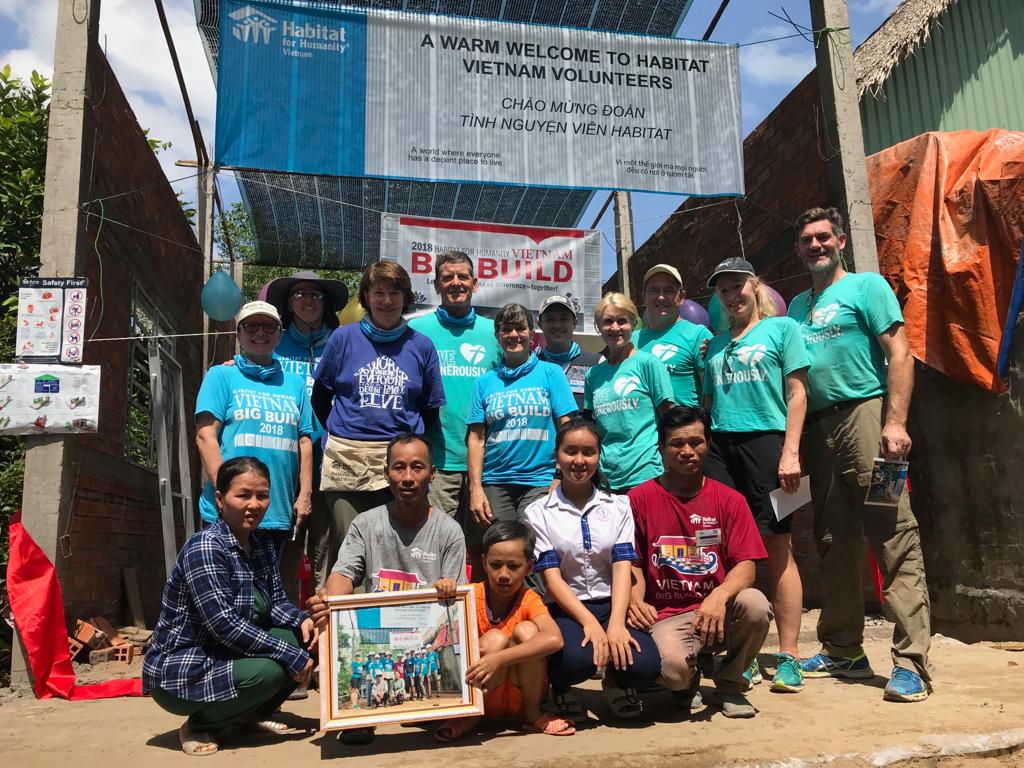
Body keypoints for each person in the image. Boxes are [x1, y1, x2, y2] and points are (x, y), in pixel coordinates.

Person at [787, 206, 932, 702]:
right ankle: (843, 649)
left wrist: (895, 422)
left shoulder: (866, 287)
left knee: (892, 533)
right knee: (833, 540)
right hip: (821, 432)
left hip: (867, 418)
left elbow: (900, 352)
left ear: (841, 241)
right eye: (807, 240)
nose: (815, 246)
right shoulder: (795, 308)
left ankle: (912, 662)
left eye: (823, 237)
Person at [143, 457, 317, 756]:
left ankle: (247, 713)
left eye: (262, 496)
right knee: (271, 670)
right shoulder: (206, 547)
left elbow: (274, 602)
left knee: (307, 638)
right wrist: (290, 655)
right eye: (243, 495)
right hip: (186, 665)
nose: (254, 504)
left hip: (229, 653)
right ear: (221, 500)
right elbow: (224, 625)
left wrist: (303, 620)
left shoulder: (260, 544)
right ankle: (199, 724)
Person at [307, 432, 466, 744]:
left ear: (432, 474)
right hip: (378, 632)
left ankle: (438, 709)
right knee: (336, 626)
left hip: (422, 632)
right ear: (386, 474)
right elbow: (344, 573)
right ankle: (359, 719)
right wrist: (327, 598)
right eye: (399, 468)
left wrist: (447, 589)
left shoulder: (450, 531)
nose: (407, 477)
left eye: (418, 468)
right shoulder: (366, 524)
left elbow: (456, 604)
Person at [702, 257, 810, 693]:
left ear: (755, 285)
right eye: (723, 290)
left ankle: (789, 656)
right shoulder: (713, 345)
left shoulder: (783, 330)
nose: (731, 296)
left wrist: (790, 451)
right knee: (726, 548)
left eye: (737, 286)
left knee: (778, 545)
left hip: (769, 444)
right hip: (720, 449)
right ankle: (742, 654)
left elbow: (798, 393)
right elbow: (709, 407)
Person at [628, 407, 772, 719]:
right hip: (667, 614)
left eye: (696, 442)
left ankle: (730, 682)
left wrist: (719, 596)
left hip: (717, 610)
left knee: (756, 605)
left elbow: (746, 565)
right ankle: (688, 681)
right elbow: (632, 562)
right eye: (677, 444)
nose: (687, 451)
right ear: (661, 448)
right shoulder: (638, 499)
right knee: (674, 671)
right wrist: (635, 598)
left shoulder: (730, 500)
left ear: (708, 443)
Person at [312, 262, 446, 574]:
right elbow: (320, 397)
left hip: (399, 461)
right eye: (379, 293)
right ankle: (349, 619)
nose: (386, 301)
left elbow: (430, 409)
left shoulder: (422, 346)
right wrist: (345, 429)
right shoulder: (343, 339)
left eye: (394, 293)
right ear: (366, 297)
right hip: (348, 459)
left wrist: (413, 450)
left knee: (399, 545)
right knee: (350, 547)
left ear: (406, 298)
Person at [524, 418, 661, 720]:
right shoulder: (538, 513)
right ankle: (559, 687)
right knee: (574, 660)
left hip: (612, 603)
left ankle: (617, 682)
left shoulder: (619, 506)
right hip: (565, 608)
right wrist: (589, 622)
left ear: (599, 456)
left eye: (589, 452)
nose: (579, 461)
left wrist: (615, 624)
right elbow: (552, 578)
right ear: (557, 456)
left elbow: (623, 566)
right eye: (570, 452)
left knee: (645, 666)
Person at [195, 301, 314, 578]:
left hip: (276, 511)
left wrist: (305, 495)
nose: (260, 332)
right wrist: (227, 493)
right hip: (228, 514)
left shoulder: (295, 383)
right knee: (225, 593)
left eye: (268, 326)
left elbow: (305, 441)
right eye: (251, 325)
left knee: (267, 598)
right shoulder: (221, 376)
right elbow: (205, 436)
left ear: (279, 335)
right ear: (238, 334)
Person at [433, 521, 574, 742]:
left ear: (529, 567)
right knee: (495, 638)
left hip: (520, 693)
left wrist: (498, 659)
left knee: (528, 631)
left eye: (514, 566)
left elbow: (554, 638)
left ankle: (532, 713)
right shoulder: (468, 595)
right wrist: (443, 592)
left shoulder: (529, 599)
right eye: (496, 565)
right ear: (484, 563)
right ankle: (470, 715)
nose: (504, 574)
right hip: (483, 692)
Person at [466, 303, 578, 579]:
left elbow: (566, 427)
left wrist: (560, 476)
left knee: (536, 554)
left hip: (540, 481)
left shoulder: (551, 374)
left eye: (520, 328)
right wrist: (476, 489)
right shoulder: (485, 382)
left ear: (532, 334)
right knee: (503, 554)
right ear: (497, 336)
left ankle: (536, 615)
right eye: (506, 329)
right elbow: (477, 438)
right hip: (496, 482)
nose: (514, 335)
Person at [264, 270, 349, 596]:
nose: (307, 300)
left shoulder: (341, 342)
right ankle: (284, 620)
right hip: (286, 463)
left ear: (325, 303)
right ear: (288, 302)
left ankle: (324, 626)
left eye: (315, 294)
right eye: (299, 294)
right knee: (286, 545)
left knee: (327, 549)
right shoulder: (274, 343)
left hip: (333, 459)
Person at [409, 250, 500, 520]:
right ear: (436, 285)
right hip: (437, 463)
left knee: (485, 548)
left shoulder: (495, 332)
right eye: (447, 277)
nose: (455, 283)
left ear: (475, 283)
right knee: (435, 547)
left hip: (488, 462)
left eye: (463, 276)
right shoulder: (416, 331)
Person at [584, 292, 674, 493]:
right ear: (598, 327)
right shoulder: (593, 375)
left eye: (621, 321)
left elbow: (670, 417)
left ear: (634, 324)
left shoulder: (648, 363)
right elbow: (593, 428)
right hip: (606, 478)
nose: (615, 328)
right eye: (608, 322)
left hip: (646, 473)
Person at [636, 264, 713, 408]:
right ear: (644, 298)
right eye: (654, 290)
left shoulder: (698, 335)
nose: (661, 297)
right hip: (642, 430)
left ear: (681, 297)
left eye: (669, 291)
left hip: (683, 428)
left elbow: (711, 395)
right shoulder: (633, 340)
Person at [536, 295, 603, 410]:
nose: (557, 325)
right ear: (540, 324)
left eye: (564, 319)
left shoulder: (596, 364)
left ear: (575, 323)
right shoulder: (532, 365)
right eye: (550, 319)